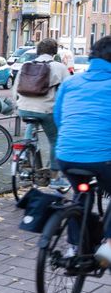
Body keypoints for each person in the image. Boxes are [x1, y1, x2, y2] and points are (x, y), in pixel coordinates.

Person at [54, 36, 111, 265]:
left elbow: (58, 118)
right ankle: (108, 244)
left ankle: (75, 246)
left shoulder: (70, 83)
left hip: (66, 154)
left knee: (80, 194)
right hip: (102, 158)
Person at [12, 38, 71, 188]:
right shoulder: (59, 67)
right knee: (56, 140)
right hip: (46, 110)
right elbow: (69, 91)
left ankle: (24, 153)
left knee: (31, 124)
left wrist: (17, 106)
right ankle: (55, 178)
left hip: (24, 108)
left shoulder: (26, 65)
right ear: (54, 52)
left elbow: (15, 90)